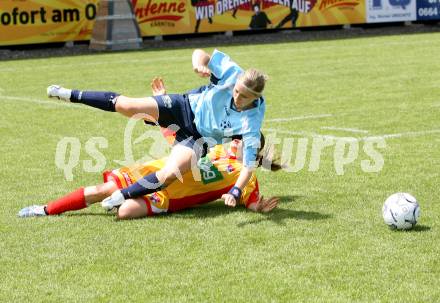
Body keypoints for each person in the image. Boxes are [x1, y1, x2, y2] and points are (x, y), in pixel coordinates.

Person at [45, 49, 268, 212]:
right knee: (127, 106)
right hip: (184, 106)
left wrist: (236, 191)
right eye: (236, 91)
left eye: (244, 96)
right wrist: (198, 64)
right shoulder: (232, 73)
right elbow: (201, 54)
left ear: (255, 98)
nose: (237, 97)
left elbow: (248, 167)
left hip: (199, 139)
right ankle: (68, 93)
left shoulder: (252, 121)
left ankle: (121, 196)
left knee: (170, 174)